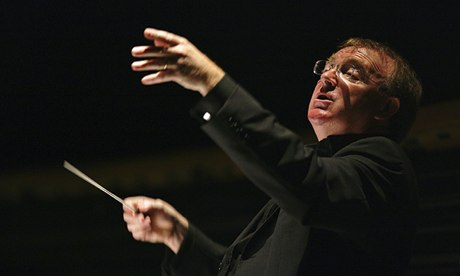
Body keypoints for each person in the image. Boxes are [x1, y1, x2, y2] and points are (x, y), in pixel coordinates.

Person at [123, 28, 422, 275]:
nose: (327, 78)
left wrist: (212, 83)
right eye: (327, 67)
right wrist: (176, 233)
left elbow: (306, 179)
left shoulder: (385, 163)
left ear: (385, 107)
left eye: (352, 72)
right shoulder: (318, 165)